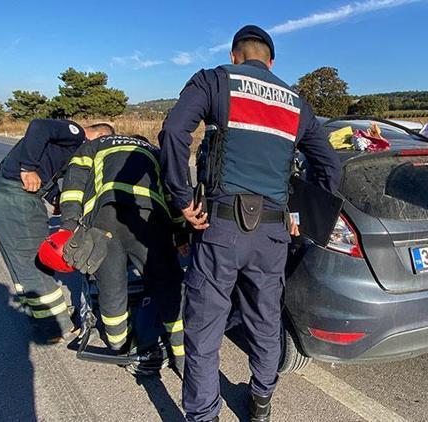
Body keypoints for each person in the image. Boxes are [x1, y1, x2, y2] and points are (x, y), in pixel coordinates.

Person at [159, 25, 341, 422]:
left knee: (206, 325)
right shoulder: (296, 102)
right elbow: (328, 165)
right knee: (264, 318)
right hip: (273, 233)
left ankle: (204, 415)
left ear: (235, 54)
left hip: (220, 226)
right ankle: (261, 402)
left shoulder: (215, 81)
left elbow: (174, 132)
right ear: (272, 62)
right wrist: (304, 218)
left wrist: (182, 198)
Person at [58, 133, 186, 373]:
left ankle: (118, 345)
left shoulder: (94, 146)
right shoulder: (155, 152)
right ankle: (183, 358)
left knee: (112, 285)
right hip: (148, 218)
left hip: (105, 218)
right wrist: (179, 235)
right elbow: (174, 193)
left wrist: (70, 224)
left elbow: (73, 184)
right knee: (169, 286)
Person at [0, 119, 114, 342]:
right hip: (16, 198)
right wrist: (28, 168)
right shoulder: (75, 134)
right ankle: (58, 326)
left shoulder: (67, 150)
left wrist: (54, 195)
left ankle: (41, 319)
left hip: (4, 198)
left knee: (21, 264)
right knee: (37, 262)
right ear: (98, 137)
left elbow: (49, 171)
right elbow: (38, 126)